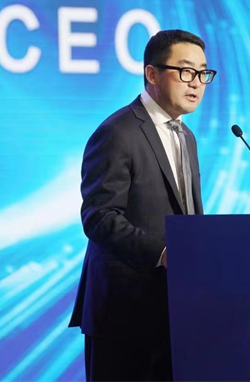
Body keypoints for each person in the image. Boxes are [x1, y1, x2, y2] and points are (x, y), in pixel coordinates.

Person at [68, 29, 217, 381]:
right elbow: (99, 217)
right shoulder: (118, 132)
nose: (196, 83)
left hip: (175, 310)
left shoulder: (186, 136)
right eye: (186, 71)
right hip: (124, 314)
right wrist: (162, 253)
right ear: (152, 73)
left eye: (203, 73)